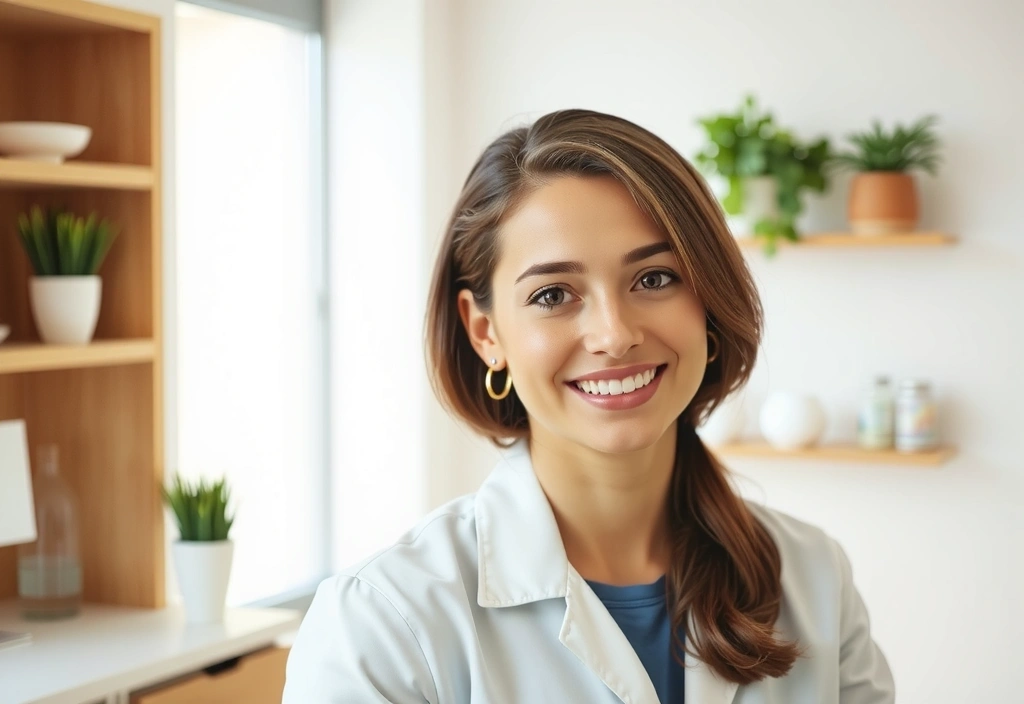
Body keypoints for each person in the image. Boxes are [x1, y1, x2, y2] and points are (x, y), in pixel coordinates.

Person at [283, 109, 895, 703]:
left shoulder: (814, 577)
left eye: (654, 278)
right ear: (485, 332)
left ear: (707, 300)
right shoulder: (384, 623)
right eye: (553, 294)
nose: (614, 333)